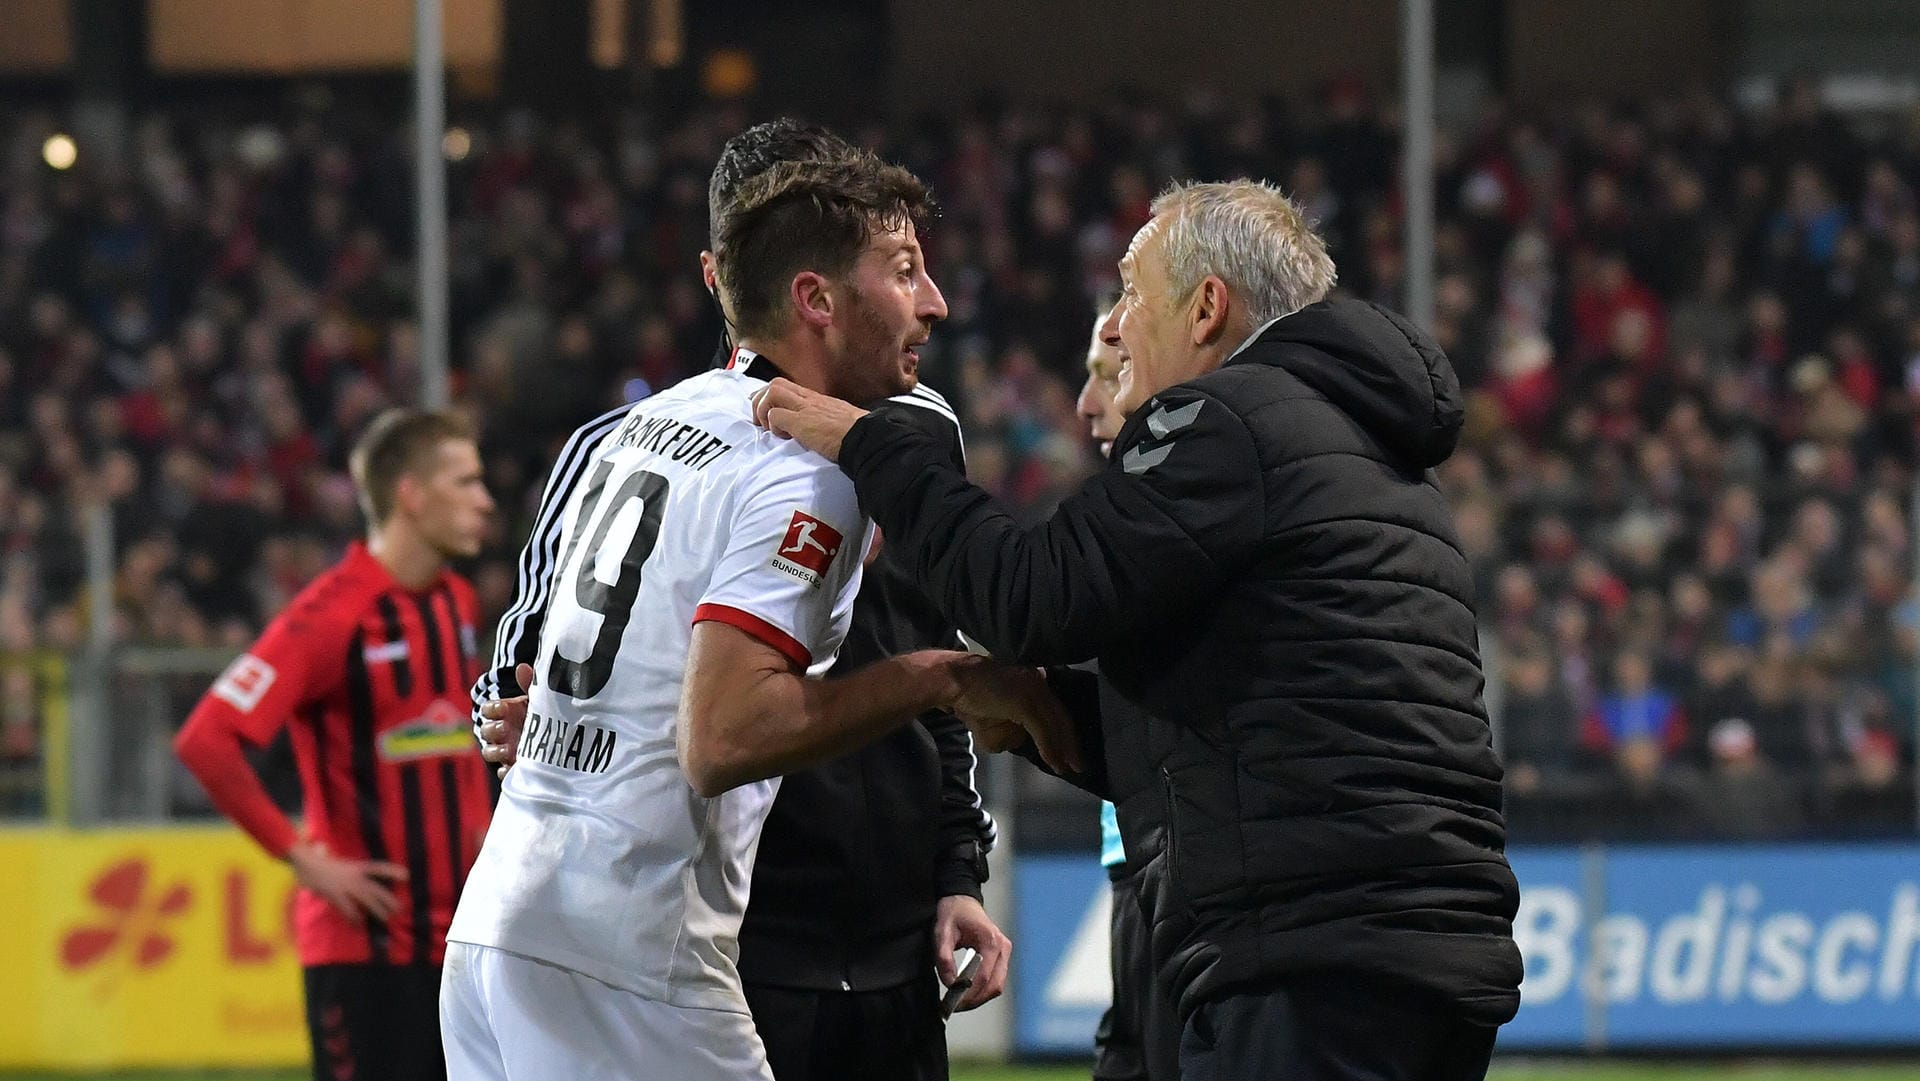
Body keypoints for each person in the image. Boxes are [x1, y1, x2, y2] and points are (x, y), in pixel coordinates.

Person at [755, 179, 1524, 1080]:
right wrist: (1046, 712)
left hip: (1311, 970)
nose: (1115, 327)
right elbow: (1251, 742)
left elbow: (1029, 599)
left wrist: (875, 446)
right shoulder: (1368, 453)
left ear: (1206, 308)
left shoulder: (1234, 420)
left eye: (1131, 290)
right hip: (1406, 958)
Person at [440, 146, 1071, 1081]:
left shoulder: (651, 424)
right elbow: (723, 736)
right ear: (814, 298)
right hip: (642, 950)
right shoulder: (811, 464)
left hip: (508, 921)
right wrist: (949, 678)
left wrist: (951, 863)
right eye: (903, 274)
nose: (936, 302)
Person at [175, 408, 498, 1081]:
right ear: (411, 494)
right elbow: (208, 739)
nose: (485, 499)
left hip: (461, 946)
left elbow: (449, 743)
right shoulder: (333, 612)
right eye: (466, 481)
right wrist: (303, 858)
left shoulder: (456, 603)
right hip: (364, 953)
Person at [1074, 308, 1178, 1081]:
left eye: (1107, 376)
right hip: (1136, 862)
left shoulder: (1180, 523)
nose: (1086, 404)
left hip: (1179, 875)